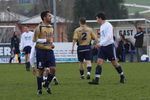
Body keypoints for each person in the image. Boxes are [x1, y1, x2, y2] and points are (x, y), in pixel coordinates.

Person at [88, 12, 126, 85]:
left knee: (114, 63)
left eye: (97, 18)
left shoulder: (108, 25)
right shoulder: (102, 26)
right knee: (99, 62)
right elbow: (103, 37)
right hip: (103, 48)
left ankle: (122, 76)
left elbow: (109, 37)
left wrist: (100, 43)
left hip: (109, 47)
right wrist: (98, 42)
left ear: (100, 18)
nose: (96, 20)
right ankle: (96, 80)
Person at [33, 11, 56, 94]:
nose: (51, 17)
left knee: (53, 69)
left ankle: (46, 84)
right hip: (41, 51)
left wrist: (51, 44)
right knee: (40, 71)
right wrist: (45, 40)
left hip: (49, 51)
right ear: (44, 17)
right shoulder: (39, 28)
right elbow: (34, 40)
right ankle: (39, 89)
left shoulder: (51, 27)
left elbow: (50, 39)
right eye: (49, 16)